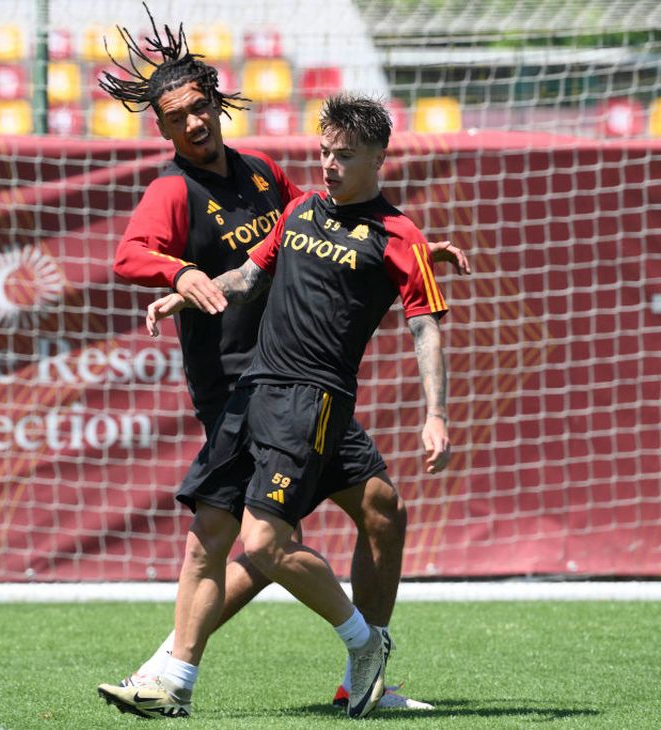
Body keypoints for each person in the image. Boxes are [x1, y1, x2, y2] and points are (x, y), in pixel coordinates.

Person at [96, 7, 463, 720]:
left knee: (378, 512)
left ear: (216, 103)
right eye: (176, 118)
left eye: (199, 107)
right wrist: (180, 277)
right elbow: (131, 254)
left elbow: (333, 221)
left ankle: (347, 675)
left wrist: (415, 253)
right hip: (238, 385)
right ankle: (175, 671)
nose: (193, 123)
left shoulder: (265, 176)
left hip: (302, 383)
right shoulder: (173, 189)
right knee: (254, 539)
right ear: (163, 130)